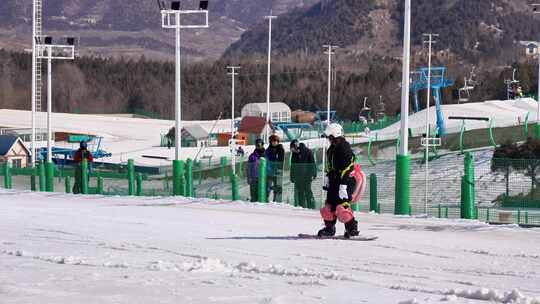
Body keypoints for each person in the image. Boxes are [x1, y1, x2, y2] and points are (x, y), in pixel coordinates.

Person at [318, 123, 359, 238]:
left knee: (342, 209)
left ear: (336, 135)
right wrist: (327, 177)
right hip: (335, 181)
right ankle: (329, 228)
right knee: (328, 208)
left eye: (330, 137)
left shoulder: (344, 148)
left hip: (347, 181)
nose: (329, 140)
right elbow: (330, 166)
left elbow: (348, 168)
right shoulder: (331, 149)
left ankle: (352, 230)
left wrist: (343, 185)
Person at [290, 139, 317, 209]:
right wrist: (292, 176)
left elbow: (312, 163)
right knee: (300, 192)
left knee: (308, 191)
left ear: (296, 146)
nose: (292, 150)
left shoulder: (307, 151)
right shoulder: (294, 154)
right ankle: (302, 206)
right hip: (298, 177)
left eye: (292, 148)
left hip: (307, 176)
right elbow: (292, 166)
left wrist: (313, 174)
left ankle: (311, 206)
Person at [265, 134, 285, 202]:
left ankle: (275, 200)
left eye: (276, 141)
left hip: (277, 172)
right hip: (269, 172)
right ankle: (266, 199)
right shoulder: (268, 150)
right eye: (273, 141)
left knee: (277, 187)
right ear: (271, 142)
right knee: (268, 186)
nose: (275, 142)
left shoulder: (280, 149)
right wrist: (269, 169)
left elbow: (282, 159)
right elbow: (267, 160)